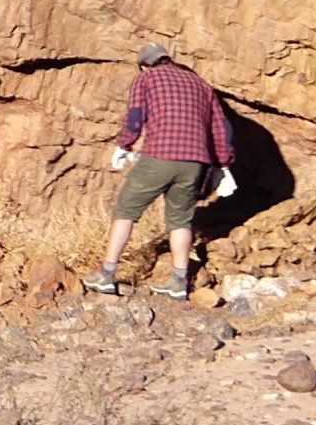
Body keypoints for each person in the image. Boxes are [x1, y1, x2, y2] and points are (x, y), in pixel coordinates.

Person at [82, 42, 237, 300]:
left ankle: (106, 275)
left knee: (126, 211)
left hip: (160, 156)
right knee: (180, 220)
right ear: (168, 59)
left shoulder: (146, 78)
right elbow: (222, 128)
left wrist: (124, 145)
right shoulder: (201, 84)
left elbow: (135, 117)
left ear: (145, 64)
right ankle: (178, 281)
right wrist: (223, 164)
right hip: (195, 162)